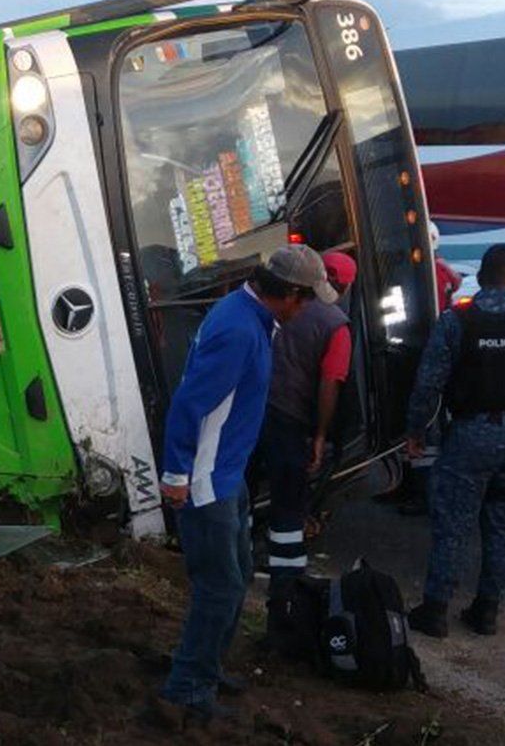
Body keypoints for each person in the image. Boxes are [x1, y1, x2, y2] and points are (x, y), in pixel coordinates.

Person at [158, 244, 338, 721]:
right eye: (308, 300)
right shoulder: (239, 331)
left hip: (228, 474)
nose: (309, 311)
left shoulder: (250, 316)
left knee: (235, 577)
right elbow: (188, 404)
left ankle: (208, 666)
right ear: (291, 294)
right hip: (206, 481)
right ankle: (188, 687)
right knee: (219, 586)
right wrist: (176, 475)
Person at [406, 244, 505, 638]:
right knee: (502, 526)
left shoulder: (457, 320)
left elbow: (429, 383)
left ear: (480, 278)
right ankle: (487, 611)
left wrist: (416, 431)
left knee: (454, 523)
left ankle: (436, 610)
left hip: (472, 435)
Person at [260, 251, 356, 628]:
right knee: (288, 512)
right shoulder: (336, 325)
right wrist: (320, 434)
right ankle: (283, 600)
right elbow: (330, 383)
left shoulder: (262, 306)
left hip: (254, 412)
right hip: (289, 424)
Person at [381, 222, 462, 515]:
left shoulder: (420, 273)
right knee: (414, 420)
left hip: (418, 351)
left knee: (423, 424)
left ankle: (422, 491)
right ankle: (409, 483)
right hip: (417, 349)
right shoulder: (441, 271)